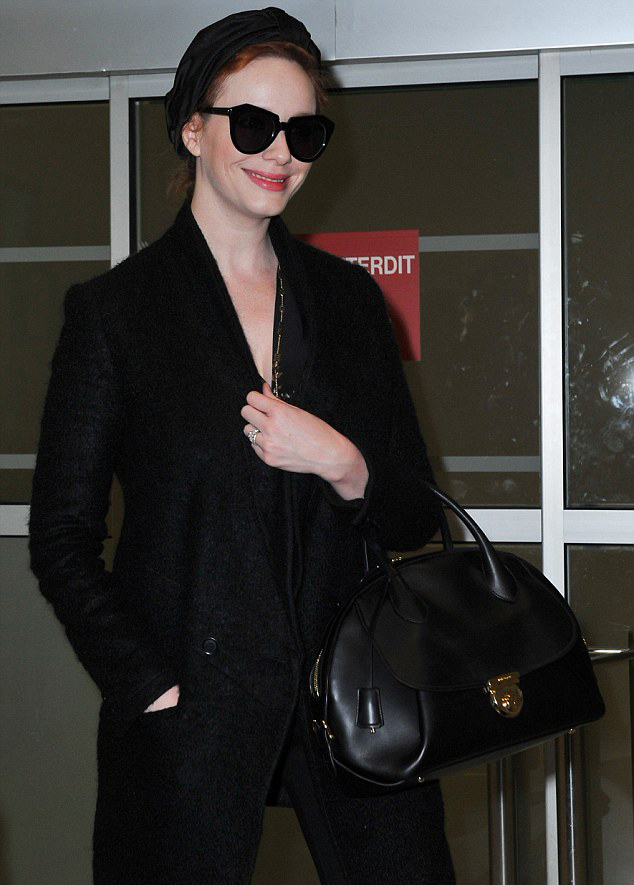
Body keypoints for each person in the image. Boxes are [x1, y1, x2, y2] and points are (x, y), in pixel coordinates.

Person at [29, 7, 455, 884]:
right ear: (193, 128)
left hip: (357, 697)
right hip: (194, 709)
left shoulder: (349, 305)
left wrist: (343, 462)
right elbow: (61, 537)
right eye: (255, 124)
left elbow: (415, 513)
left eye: (304, 131)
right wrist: (150, 682)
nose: (280, 152)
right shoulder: (117, 315)